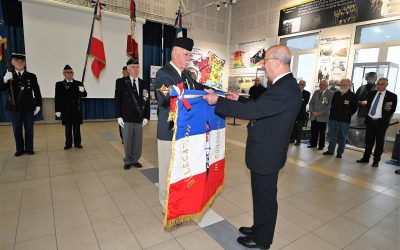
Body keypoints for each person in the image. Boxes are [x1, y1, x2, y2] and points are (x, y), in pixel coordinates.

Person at [204, 44, 301, 249]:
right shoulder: (282, 86)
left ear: (275, 62)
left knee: (265, 197)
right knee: (260, 193)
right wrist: (239, 99)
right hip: (264, 152)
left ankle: (262, 239)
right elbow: (263, 107)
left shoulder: (286, 87)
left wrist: (218, 101)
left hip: (268, 153)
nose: (263, 65)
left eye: (265, 61)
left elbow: (256, 111)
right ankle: (259, 227)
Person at [154, 37, 206, 208]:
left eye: (190, 55)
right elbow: (165, 93)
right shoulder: (164, 73)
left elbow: (198, 88)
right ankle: (166, 205)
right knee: (167, 171)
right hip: (168, 133)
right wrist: (183, 92)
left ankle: (179, 200)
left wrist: (213, 92)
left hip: (184, 132)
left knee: (181, 170)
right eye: (186, 55)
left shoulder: (186, 75)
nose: (188, 59)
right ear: (175, 53)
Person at [0, 53, 42, 156]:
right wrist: (5, 80)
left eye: (22, 61)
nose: (20, 63)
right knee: (17, 128)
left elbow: (36, 91)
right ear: (12, 62)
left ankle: (29, 148)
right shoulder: (9, 76)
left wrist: (38, 105)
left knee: (29, 128)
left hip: (28, 107)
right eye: (17, 61)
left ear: (25, 63)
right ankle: (19, 149)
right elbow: (1, 89)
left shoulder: (31, 76)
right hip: (14, 107)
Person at [114, 58, 150, 170]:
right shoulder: (121, 82)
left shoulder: (144, 83)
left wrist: (146, 116)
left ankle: (135, 159)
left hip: (139, 117)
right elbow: (117, 100)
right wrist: (118, 116)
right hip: (127, 117)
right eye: (133, 67)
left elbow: (146, 100)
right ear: (128, 70)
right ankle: (128, 160)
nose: (136, 70)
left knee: (138, 141)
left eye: (138, 67)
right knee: (128, 140)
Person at [356, 78, 397, 167]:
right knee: (368, 141)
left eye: (382, 84)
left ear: (386, 85)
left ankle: (376, 160)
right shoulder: (371, 94)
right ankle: (366, 158)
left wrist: (384, 119)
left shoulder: (392, 96)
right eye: (378, 84)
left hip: (381, 123)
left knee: (379, 142)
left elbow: (391, 110)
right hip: (370, 121)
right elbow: (368, 106)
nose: (379, 86)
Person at [55, 65, 87, 150]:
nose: (69, 74)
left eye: (71, 72)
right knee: (68, 127)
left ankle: (77, 143)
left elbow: (85, 95)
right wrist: (57, 110)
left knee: (77, 127)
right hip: (66, 109)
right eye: (67, 72)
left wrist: (82, 91)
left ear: (73, 73)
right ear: (64, 74)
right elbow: (57, 98)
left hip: (76, 108)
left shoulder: (78, 83)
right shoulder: (59, 84)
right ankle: (68, 144)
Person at [323, 79, 358, 158]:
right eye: (341, 85)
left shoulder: (353, 96)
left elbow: (354, 108)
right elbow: (332, 105)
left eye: (345, 85)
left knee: (342, 136)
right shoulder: (336, 94)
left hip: (344, 120)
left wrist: (347, 114)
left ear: (349, 85)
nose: (343, 86)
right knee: (332, 135)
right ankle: (330, 150)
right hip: (333, 118)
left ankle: (339, 152)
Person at [308, 79, 334, 150]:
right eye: (320, 84)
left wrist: (320, 113)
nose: (321, 86)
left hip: (323, 116)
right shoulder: (316, 92)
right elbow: (311, 103)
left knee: (322, 132)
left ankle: (321, 146)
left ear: (327, 85)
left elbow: (329, 105)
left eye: (323, 84)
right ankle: (313, 144)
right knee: (313, 131)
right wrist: (312, 111)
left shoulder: (331, 93)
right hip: (314, 116)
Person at [290, 80, 310, 146]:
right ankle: (292, 139)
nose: (301, 85)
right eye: (300, 84)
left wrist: (298, 101)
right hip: (293, 112)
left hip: (301, 113)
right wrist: (301, 100)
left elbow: (305, 102)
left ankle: (298, 141)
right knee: (292, 127)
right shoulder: (294, 92)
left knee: (299, 128)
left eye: (302, 84)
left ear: (304, 85)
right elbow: (291, 101)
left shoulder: (307, 93)